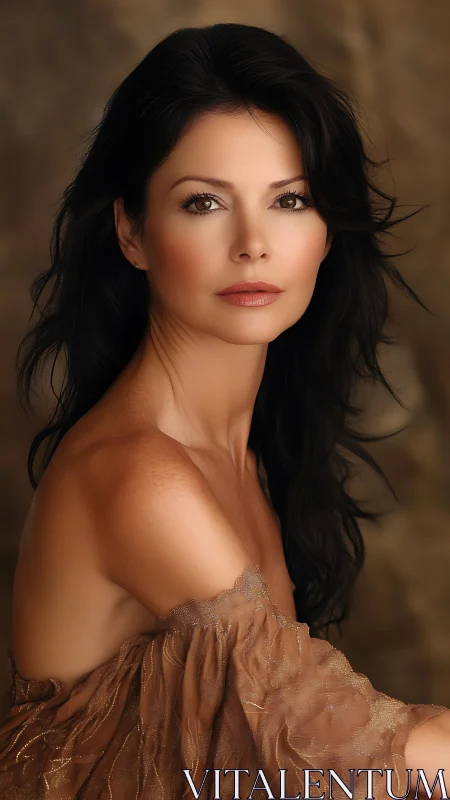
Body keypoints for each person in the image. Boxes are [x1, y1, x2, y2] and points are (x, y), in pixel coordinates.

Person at [0, 21, 448, 800]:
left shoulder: (239, 449)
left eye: (289, 200)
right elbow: (367, 762)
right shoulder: (140, 477)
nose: (253, 244)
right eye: (203, 202)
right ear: (133, 232)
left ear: (325, 233)